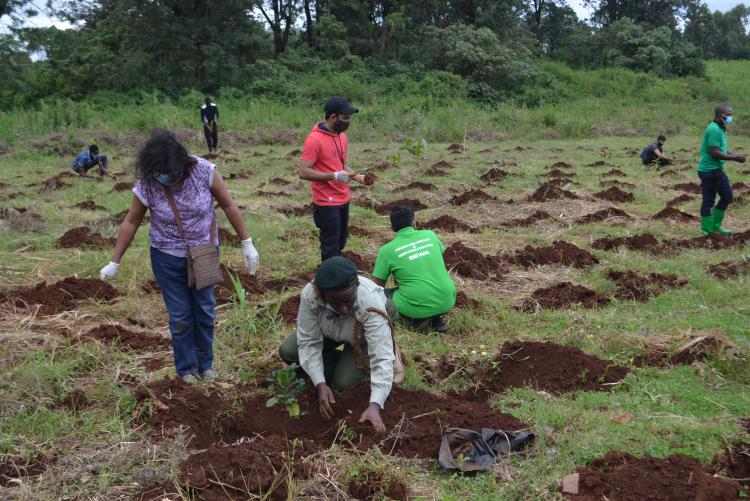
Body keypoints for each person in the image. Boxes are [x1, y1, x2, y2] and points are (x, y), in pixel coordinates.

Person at [99, 130, 259, 382]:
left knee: (204, 310)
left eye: (172, 175)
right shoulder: (149, 183)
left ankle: (205, 365)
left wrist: (246, 242)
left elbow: (228, 205)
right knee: (181, 315)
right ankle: (186, 369)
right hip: (166, 257)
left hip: (204, 252)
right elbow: (131, 221)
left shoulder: (203, 171)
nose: (169, 180)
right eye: (163, 175)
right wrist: (114, 260)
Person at [278, 256, 397, 433]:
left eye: (348, 301)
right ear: (322, 295)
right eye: (335, 302)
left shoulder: (371, 303)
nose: (343, 309)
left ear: (356, 287)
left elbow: (381, 356)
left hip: (363, 331)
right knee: (289, 351)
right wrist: (320, 384)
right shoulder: (310, 296)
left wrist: (375, 404)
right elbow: (309, 341)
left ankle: (357, 362)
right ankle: (347, 362)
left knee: (344, 383)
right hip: (330, 328)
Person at [298, 96, 372, 262]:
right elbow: (303, 172)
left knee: (341, 240)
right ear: (333, 117)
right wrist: (333, 176)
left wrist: (358, 177)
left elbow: (340, 164)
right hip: (326, 202)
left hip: (343, 198)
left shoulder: (341, 137)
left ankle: (336, 270)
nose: (348, 121)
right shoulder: (314, 140)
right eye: (345, 118)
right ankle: (330, 280)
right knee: (330, 244)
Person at [372, 206, 456, 333]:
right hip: (448, 298)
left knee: (381, 294)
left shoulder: (386, 250)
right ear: (414, 223)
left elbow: (376, 286)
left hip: (417, 304)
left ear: (392, 228)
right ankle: (436, 320)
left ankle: (413, 321)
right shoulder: (430, 235)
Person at [697, 104, 746, 236]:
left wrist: (733, 154)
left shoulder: (721, 128)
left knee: (727, 195)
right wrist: (734, 158)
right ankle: (707, 231)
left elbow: (721, 149)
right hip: (709, 170)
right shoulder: (714, 129)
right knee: (709, 201)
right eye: (729, 114)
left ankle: (716, 226)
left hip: (717, 169)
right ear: (721, 115)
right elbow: (714, 152)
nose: (731, 117)